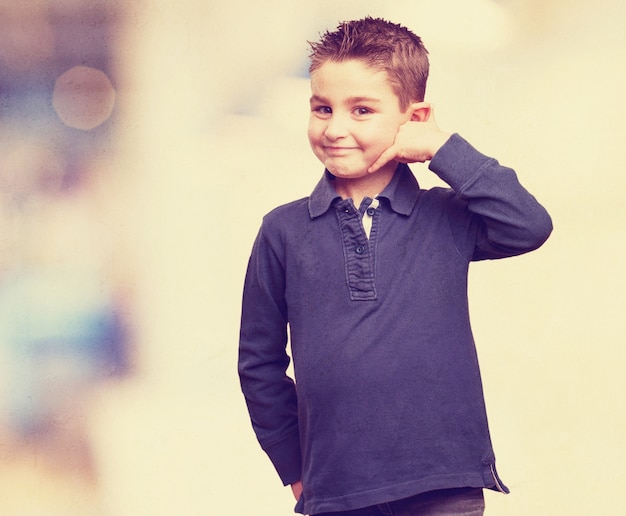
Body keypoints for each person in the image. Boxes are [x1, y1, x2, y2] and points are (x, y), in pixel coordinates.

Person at [238, 17, 552, 516]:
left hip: (444, 484)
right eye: (322, 108)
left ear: (415, 117)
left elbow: (528, 224)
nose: (335, 127)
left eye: (361, 109)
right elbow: (259, 362)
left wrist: (442, 148)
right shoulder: (282, 231)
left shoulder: (445, 216)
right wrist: (293, 468)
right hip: (336, 489)